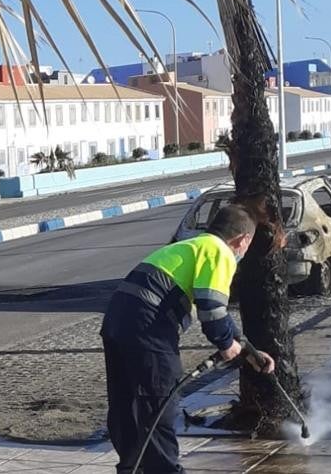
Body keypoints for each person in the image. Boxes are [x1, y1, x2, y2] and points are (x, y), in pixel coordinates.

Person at [100, 202, 276, 473]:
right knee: (159, 403)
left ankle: (130, 468)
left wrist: (249, 351)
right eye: (246, 248)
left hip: (117, 322)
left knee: (127, 404)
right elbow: (213, 311)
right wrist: (225, 344)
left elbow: (222, 317)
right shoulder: (219, 251)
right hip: (149, 327)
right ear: (242, 240)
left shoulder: (192, 246)